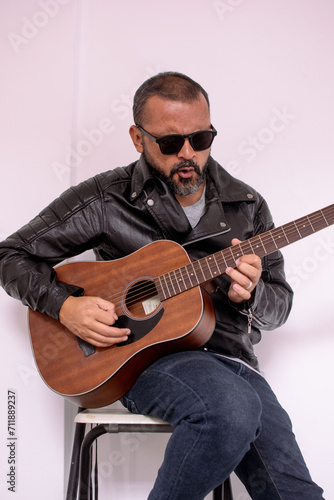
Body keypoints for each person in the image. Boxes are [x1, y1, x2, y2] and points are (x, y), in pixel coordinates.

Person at [0, 72, 324, 499]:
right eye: (170, 143)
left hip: (234, 360)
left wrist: (254, 293)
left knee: (296, 491)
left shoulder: (247, 205)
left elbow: (280, 304)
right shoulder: (106, 198)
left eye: (201, 138)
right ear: (138, 138)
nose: (188, 153)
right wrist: (65, 306)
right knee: (231, 410)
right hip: (146, 361)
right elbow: (11, 255)